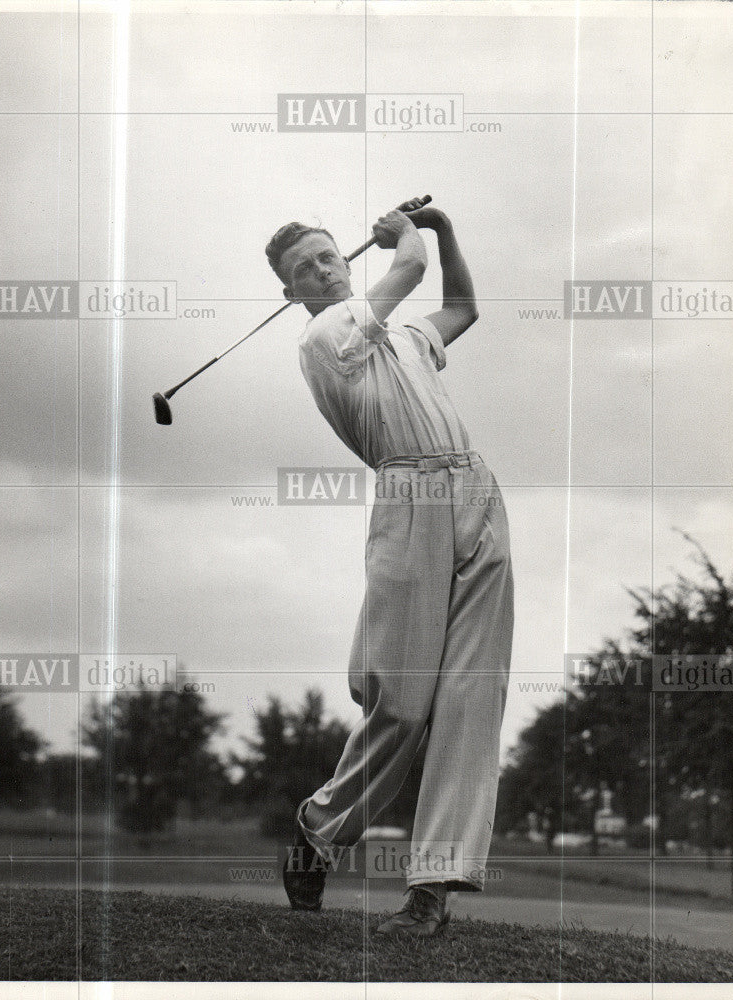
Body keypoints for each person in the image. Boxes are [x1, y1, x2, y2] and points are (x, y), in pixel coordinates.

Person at [264, 197, 514, 937]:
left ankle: (431, 892)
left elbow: (462, 306)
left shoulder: (401, 336)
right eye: (303, 267)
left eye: (325, 253)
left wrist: (445, 228)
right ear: (293, 294)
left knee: (470, 698)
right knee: (402, 703)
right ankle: (319, 826)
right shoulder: (322, 335)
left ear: (345, 256)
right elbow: (409, 266)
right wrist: (409, 238)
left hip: (476, 487)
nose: (321, 267)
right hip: (407, 497)